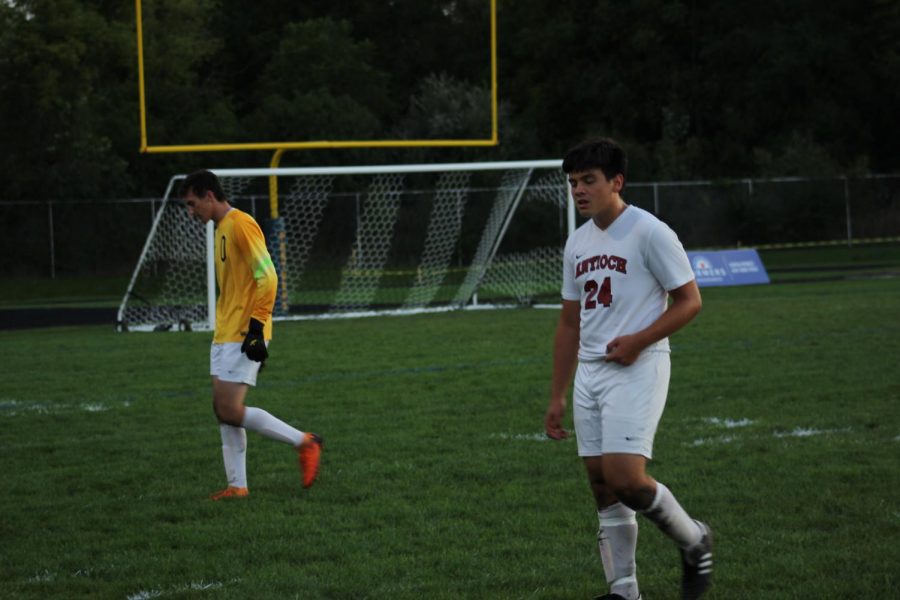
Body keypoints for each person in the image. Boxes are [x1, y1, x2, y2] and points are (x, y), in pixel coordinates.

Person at [544, 139, 712, 600]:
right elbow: (568, 322)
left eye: (589, 181)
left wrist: (640, 341)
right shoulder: (577, 243)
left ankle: (694, 540)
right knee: (601, 485)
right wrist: (557, 395)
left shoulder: (650, 232)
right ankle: (624, 592)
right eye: (573, 182)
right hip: (590, 374)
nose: (578, 190)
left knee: (625, 478)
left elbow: (690, 301)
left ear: (616, 182)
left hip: (639, 365)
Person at [181, 169, 322, 500]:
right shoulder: (220, 230)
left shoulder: (241, 224)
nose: (191, 212)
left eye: (192, 203)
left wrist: (258, 331)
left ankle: (305, 442)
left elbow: (268, 277)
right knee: (222, 409)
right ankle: (237, 485)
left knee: (230, 409)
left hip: (244, 332)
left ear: (209, 196)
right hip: (225, 333)